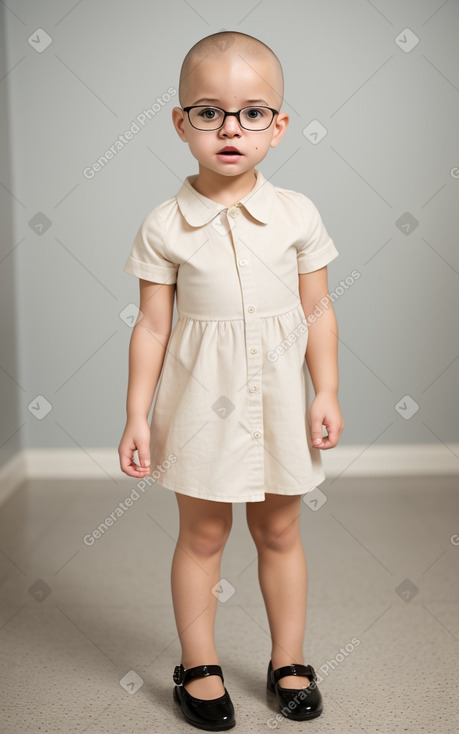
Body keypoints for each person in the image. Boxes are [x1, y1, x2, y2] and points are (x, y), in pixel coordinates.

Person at [118, 30, 344, 731]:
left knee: (279, 530)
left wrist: (326, 390)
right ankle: (198, 661)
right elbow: (152, 327)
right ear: (182, 123)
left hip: (279, 400)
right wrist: (136, 415)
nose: (230, 129)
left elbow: (317, 310)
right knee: (203, 534)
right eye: (209, 111)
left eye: (251, 113)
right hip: (198, 407)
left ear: (277, 128)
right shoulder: (165, 226)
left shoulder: (297, 213)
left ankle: (288, 658)